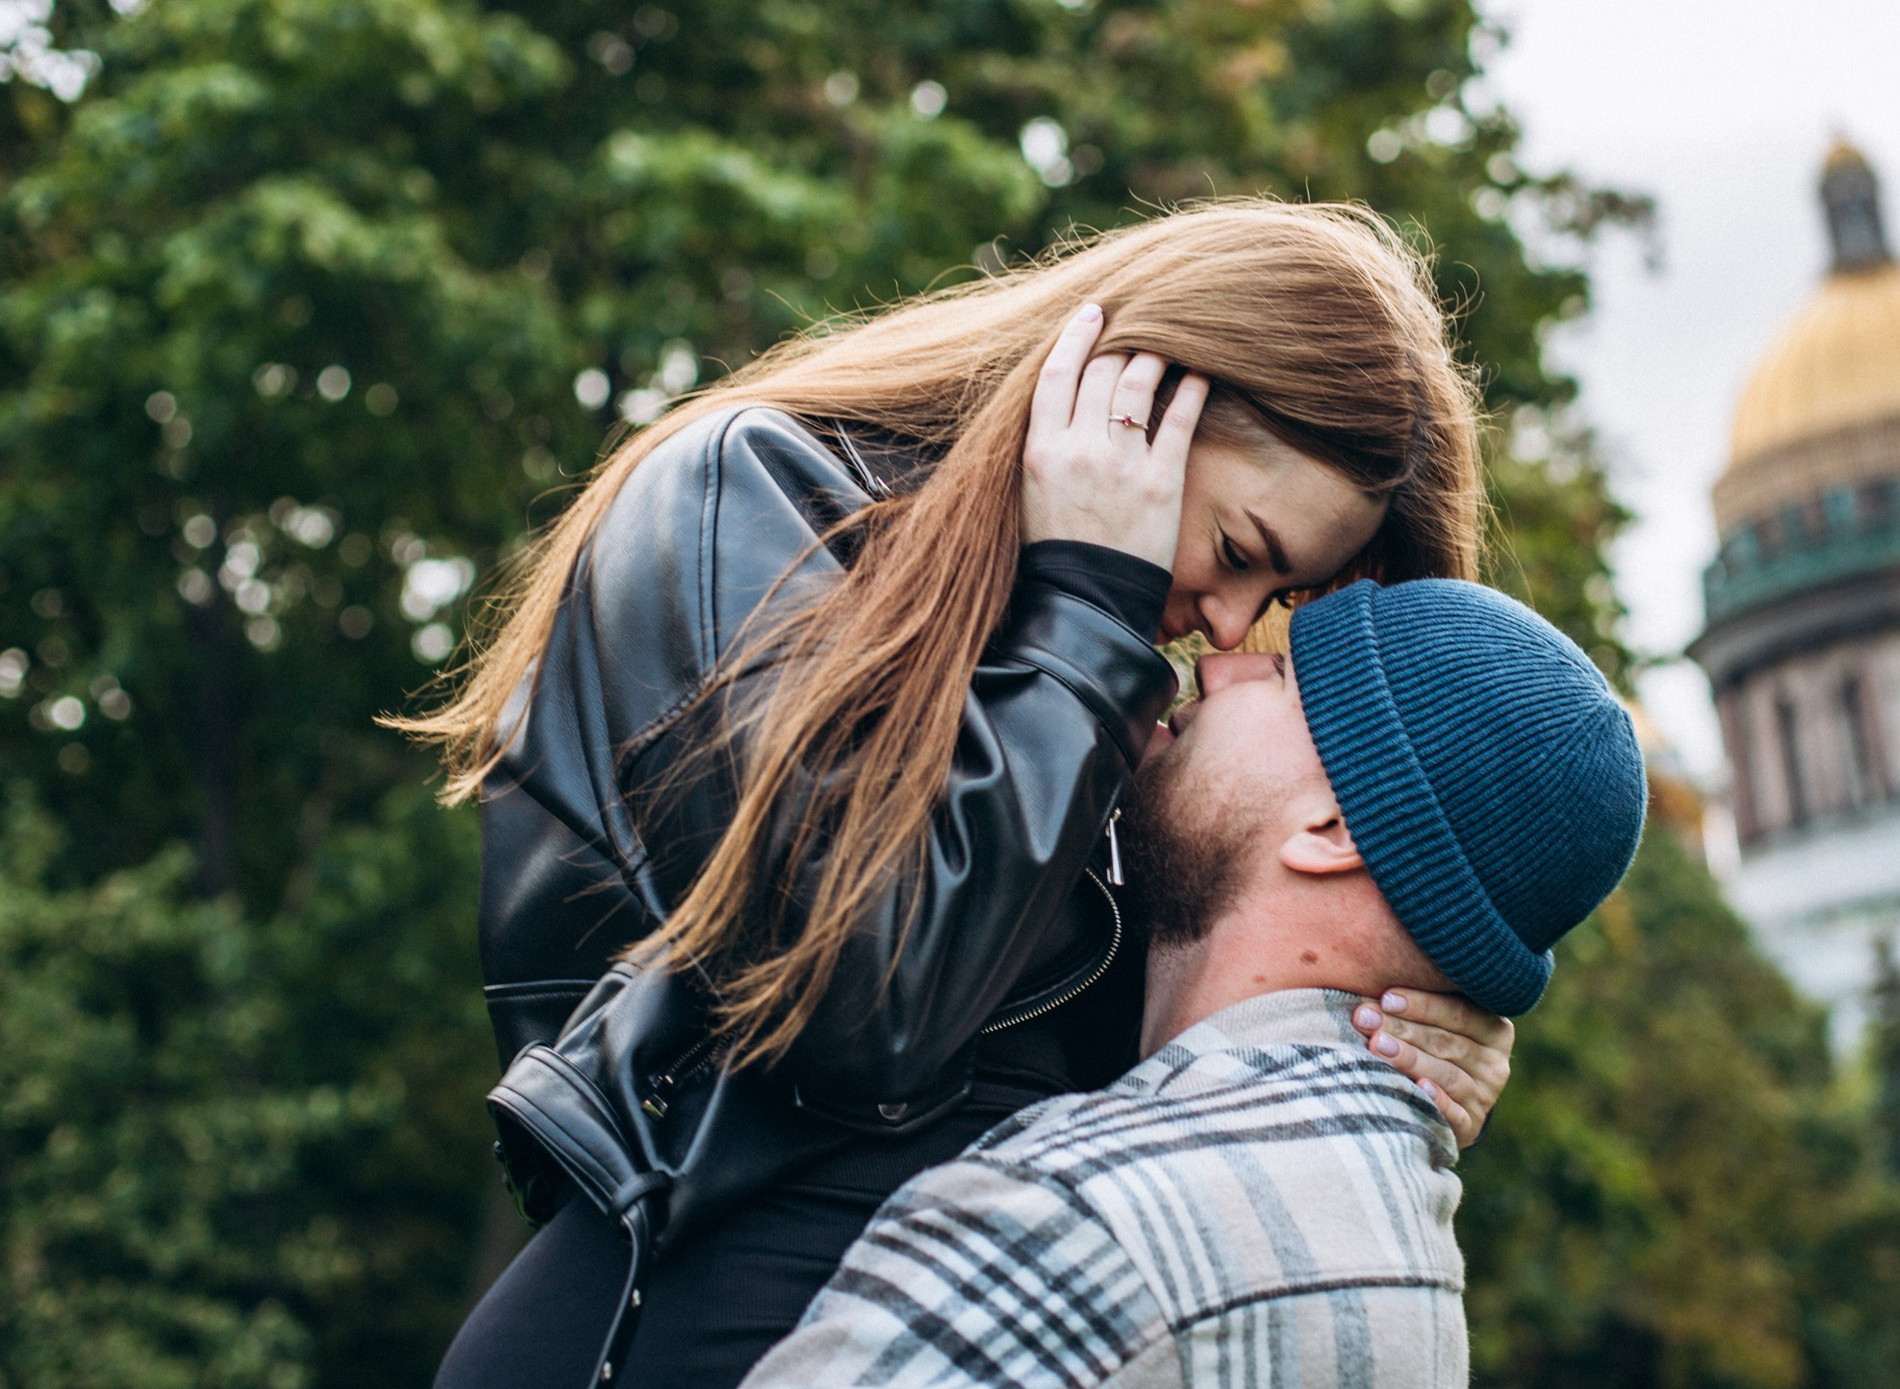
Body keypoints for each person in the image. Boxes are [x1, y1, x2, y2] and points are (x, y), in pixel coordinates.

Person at [415, 202, 1523, 1389]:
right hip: (682, 1325)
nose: (1232, 627)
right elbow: (861, 1002)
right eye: (1243, 552)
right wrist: (1090, 603)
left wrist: (1391, 1030)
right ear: (1133, 406)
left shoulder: (1099, 686)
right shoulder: (753, 502)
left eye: (1279, 597)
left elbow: (1183, 1011)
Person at [741, 576, 1647, 1389]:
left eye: (1286, 680)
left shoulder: (1097, 1218)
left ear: (1332, 829)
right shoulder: (1389, 1223)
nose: (1218, 670)